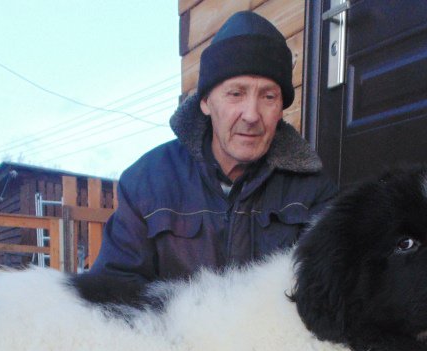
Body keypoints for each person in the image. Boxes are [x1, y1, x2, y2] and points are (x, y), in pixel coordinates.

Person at [89, 10, 337, 284]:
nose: (252, 115)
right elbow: (113, 289)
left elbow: (325, 294)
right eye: (236, 94)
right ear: (205, 102)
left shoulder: (313, 191)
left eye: (268, 96)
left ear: (280, 109)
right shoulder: (146, 183)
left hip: (269, 329)